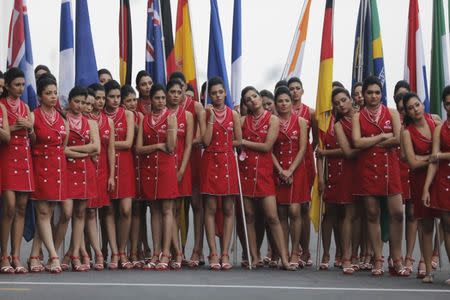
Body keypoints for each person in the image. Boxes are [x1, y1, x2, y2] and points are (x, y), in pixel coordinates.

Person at [352, 76, 407, 276]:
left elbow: (398, 138)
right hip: (367, 170)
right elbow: (357, 142)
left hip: (390, 169)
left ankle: (397, 258)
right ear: (363, 95)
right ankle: (377, 258)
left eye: (377, 92)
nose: (374, 96)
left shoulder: (391, 113)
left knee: (397, 213)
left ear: (381, 94)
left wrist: (372, 141)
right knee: (372, 214)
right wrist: (383, 137)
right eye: (369, 92)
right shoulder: (358, 116)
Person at [239, 86, 295, 270]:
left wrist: (242, 142)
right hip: (246, 172)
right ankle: (254, 257)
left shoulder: (273, 119)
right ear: (245, 104)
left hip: (264, 174)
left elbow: (267, 146)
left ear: (260, 98)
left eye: (254, 96)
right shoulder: (241, 121)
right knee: (249, 216)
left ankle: (285, 258)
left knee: (272, 217)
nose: (253, 100)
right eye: (248, 99)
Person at [201, 77, 242, 270]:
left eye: (220, 92)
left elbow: (239, 140)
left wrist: (225, 147)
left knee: (228, 208)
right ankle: (213, 252)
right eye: (214, 93)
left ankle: (225, 252)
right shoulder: (205, 113)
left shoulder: (233, 114)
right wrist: (210, 119)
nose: (217, 96)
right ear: (210, 95)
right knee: (209, 208)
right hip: (210, 161)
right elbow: (206, 141)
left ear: (225, 93)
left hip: (227, 162)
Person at [136, 83, 178, 270]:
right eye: (157, 98)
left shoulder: (171, 118)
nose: (161, 101)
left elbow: (170, 147)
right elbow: (138, 149)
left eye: (163, 98)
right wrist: (156, 146)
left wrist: (169, 131)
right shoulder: (144, 119)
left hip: (166, 168)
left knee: (167, 210)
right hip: (148, 169)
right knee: (153, 211)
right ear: (150, 100)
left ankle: (166, 253)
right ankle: (155, 251)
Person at [317, 88, 358, 274]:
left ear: (350, 100)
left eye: (343, 100)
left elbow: (349, 149)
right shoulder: (326, 122)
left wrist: (326, 153)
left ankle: (346, 254)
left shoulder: (359, 119)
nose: (340, 104)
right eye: (336, 102)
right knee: (329, 214)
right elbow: (319, 152)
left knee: (348, 214)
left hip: (352, 171)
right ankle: (326, 254)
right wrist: (321, 178)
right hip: (331, 173)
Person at [28, 75, 66, 273]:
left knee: (48, 214)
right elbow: (31, 141)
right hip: (40, 166)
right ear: (40, 96)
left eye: (55, 92)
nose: (53, 96)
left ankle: (35, 255)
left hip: (58, 168)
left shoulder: (61, 116)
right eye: (48, 93)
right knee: (43, 213)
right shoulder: (33, 115)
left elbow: (64, 145)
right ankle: (53, 255)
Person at [401, 92, 441, 282]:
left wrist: (434, 158)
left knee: (446, 222)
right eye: (411, 107)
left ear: (422, 105)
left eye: (417, 105)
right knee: (425, 226)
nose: (415, 109)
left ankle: (435, 255)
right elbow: (413, 162)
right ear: (407, 112)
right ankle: (427, 269)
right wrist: (433, 158)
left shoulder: (436, 122)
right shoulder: (406, 132)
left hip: (441, 178)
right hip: (419, 180)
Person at [0, 68, 35, 274]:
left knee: (22, 207)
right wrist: (16, 126)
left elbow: (34, 139)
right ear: (7, 86)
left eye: (23, 85)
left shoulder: (25, 106)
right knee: (10, 206)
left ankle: (15, 255)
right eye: (17, 85)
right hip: (7, 156)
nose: (21, 88)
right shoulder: (2, 105)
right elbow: (5, 134)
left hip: (24, 158)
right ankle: (3, 253)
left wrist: (29, 127)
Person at [63, 86, 100, 271]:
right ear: (70, 101)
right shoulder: (63, 121)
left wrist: (74, 152)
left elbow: (96, 148)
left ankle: (75, 254)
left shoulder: (91, 123)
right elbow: (62, 149)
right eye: (76, 102)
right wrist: (83, 151)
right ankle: (63, 252)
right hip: (67, 171)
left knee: (80, 213)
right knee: (67, 212)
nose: (80, 106)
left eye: (83, 102)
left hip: (86, 171)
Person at [272, 86, 308, 269]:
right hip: (277, 168)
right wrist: (280, 170)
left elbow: (303, 148)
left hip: (297, 169)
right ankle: (283, 252)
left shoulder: (301, 121)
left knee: (295, 211)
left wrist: (290, 170)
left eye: (287, 100)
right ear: (275, 104)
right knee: (282, 212)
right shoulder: (272, 121)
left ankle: (296, 251)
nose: (284, 104)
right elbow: (269, 149)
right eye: (280, 101)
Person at [104, 80, 135, 269]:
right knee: (108, 210)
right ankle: (114, 252)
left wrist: (107, 144)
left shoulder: (128, 115)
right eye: (112, 97)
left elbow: (129, 143)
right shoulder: (98, 115)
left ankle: (123, 249)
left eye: (118, 97)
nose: (115, 100)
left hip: (124, 164)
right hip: (106, 165)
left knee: (125, 209)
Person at [421, 85, 450, 284]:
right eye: (448, 103)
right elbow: (433, 159)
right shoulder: (440, 129)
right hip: (443, 180)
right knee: (447, 227)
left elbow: (437, 155)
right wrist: (426, 188)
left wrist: (440, 155)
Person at [85, 84, 116, 271]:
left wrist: (112, 175)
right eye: (97, 98)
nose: (100, 102)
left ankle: (114, 251)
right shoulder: (83, 119)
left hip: (104, 170)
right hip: (87, 169)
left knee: (107, 211)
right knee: (88, 211)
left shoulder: (108, 121)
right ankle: (92, 252)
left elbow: (111, 150)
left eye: (103, 98)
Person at [287, 77, 316, 266]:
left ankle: (305, 250)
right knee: (289, 207)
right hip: (286, 161)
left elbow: (317, 141)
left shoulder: (311, 113)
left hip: (305, 163)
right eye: (292, 89)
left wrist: (308, 152)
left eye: (298, 88)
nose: (295, 91)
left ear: (303, 91)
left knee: (304, 208)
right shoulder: (279, 111)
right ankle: (293, 249)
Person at [121, 84, 146, 268]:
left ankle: (136, 250)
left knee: (139, 210)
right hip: (126, 164)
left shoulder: (142, 117)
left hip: (142, 165)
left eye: (134, 100)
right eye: (128, 100)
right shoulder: (121, 117)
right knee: (124, 210)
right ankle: (123, 250)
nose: (132, 103)